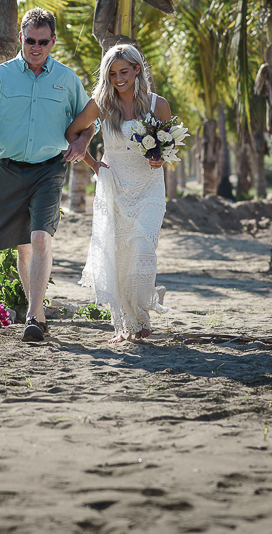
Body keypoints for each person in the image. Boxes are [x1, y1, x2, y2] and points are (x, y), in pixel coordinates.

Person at [0, 8, 95, 343]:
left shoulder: (67, 79)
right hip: (9, 168)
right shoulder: (0, 76)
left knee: (40, 238)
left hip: (50, 168)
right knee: (24, 247)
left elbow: (88, 123)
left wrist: (82, 143)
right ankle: (36, 312)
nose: (36, 46)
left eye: (43, 41)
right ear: (21, 39)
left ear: (53, 41)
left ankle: (32, 318)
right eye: (30, 40)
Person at [66, 43, 170, 343]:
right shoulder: (101, 103)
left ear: (137, 69)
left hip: (149, 186)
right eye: (111, 74)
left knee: (141, 250)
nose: (118, 79)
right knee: (119, 255)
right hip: (114, 185)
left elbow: (167, 144)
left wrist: (159, 158)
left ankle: (141, 313)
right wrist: (94, 164)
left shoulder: (157, 105)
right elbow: (72, 132)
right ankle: (131, 323)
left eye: (124, 72)